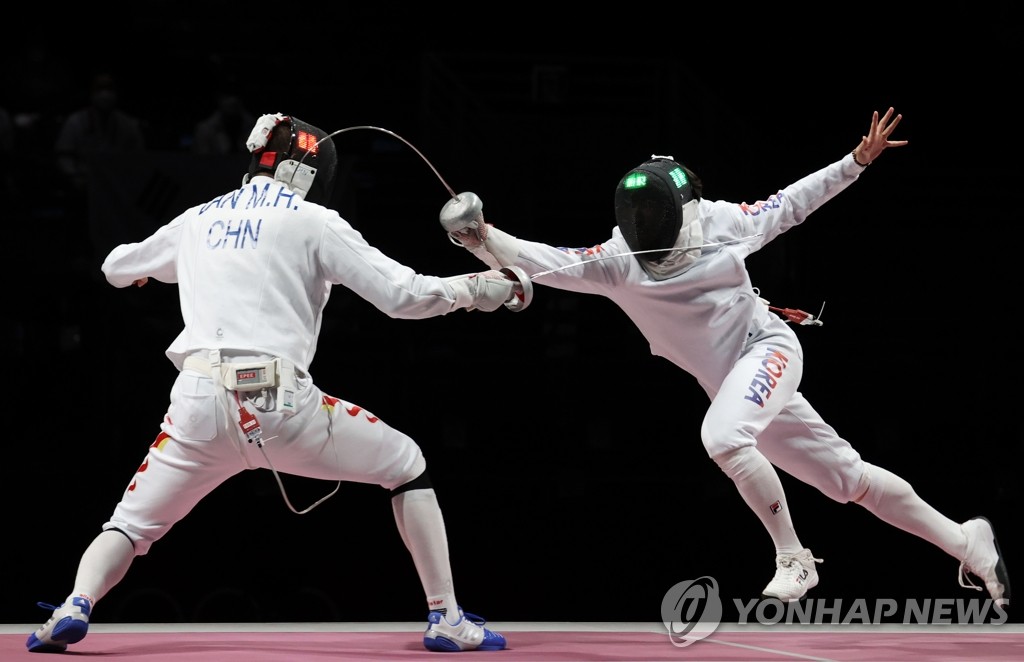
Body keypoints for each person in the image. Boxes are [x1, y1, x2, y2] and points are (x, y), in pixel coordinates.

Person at [446, 107, 1011, 607]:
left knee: (723, 439)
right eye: (636, 214)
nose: (644, 225)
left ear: (684, 209)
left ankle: (794, 557)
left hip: (766, 351)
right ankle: (966, 541)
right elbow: (546, 261)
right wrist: (481, 236)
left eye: (653, 213)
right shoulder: (620, 257)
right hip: (733, 385)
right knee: (848, 480)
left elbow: (793, 203)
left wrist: (855, 161)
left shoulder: (722, 223)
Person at [27, 113, 513, 654]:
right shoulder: (314, 221)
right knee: (406, 464)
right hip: (276, 400)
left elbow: (116, 266)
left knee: (130, 526)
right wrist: (478, 288)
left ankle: (75, 604)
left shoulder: (197, 219)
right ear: (306, 173)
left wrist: (152, 269)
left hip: (195, 404)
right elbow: (404, 297)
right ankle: (446, 617)